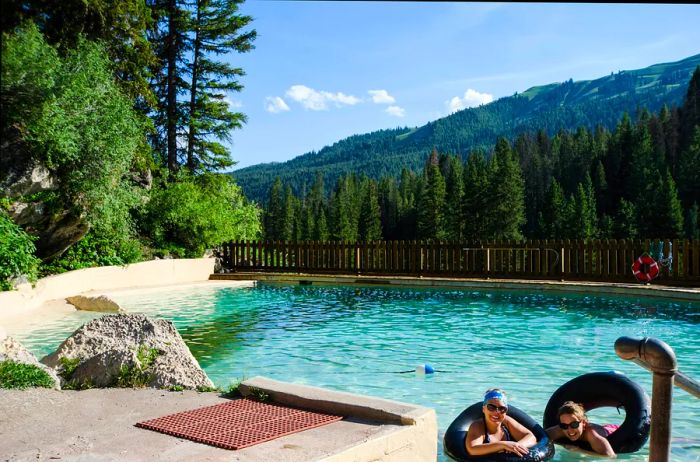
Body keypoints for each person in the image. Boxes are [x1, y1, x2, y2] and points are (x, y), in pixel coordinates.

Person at [465, 388, 537, 457]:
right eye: (491, 407)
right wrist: (503, 445)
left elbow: (531, 437)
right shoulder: (478, 426)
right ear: (484, 409)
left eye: (502, 408)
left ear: (506, 411)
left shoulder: (507, 422)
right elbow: (472, 449)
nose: (496, 412)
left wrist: (516, 446)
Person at [545, 401, 617, 458]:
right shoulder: (562, 429)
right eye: (564, 425)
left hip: (612, 430)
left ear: (583, 423)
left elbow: (610, 456)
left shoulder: (592, 434)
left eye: (574, 424)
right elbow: (540, 437)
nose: (570, 430)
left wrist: (579, 451)